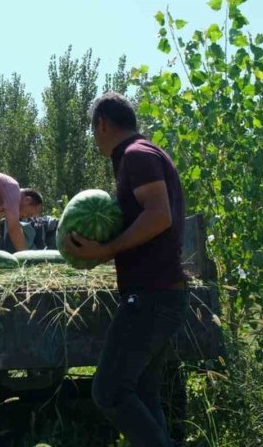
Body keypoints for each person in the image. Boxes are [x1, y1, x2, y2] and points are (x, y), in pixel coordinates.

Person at [62, 91, 187, 447]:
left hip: (152, 295)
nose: (94, 138)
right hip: (162, 295)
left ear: (102, 124)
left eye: (93, 130)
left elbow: (158, 215)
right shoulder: (144, 154)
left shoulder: (135, 155)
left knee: (109, 391)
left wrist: (106, 249)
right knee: (144, 394)